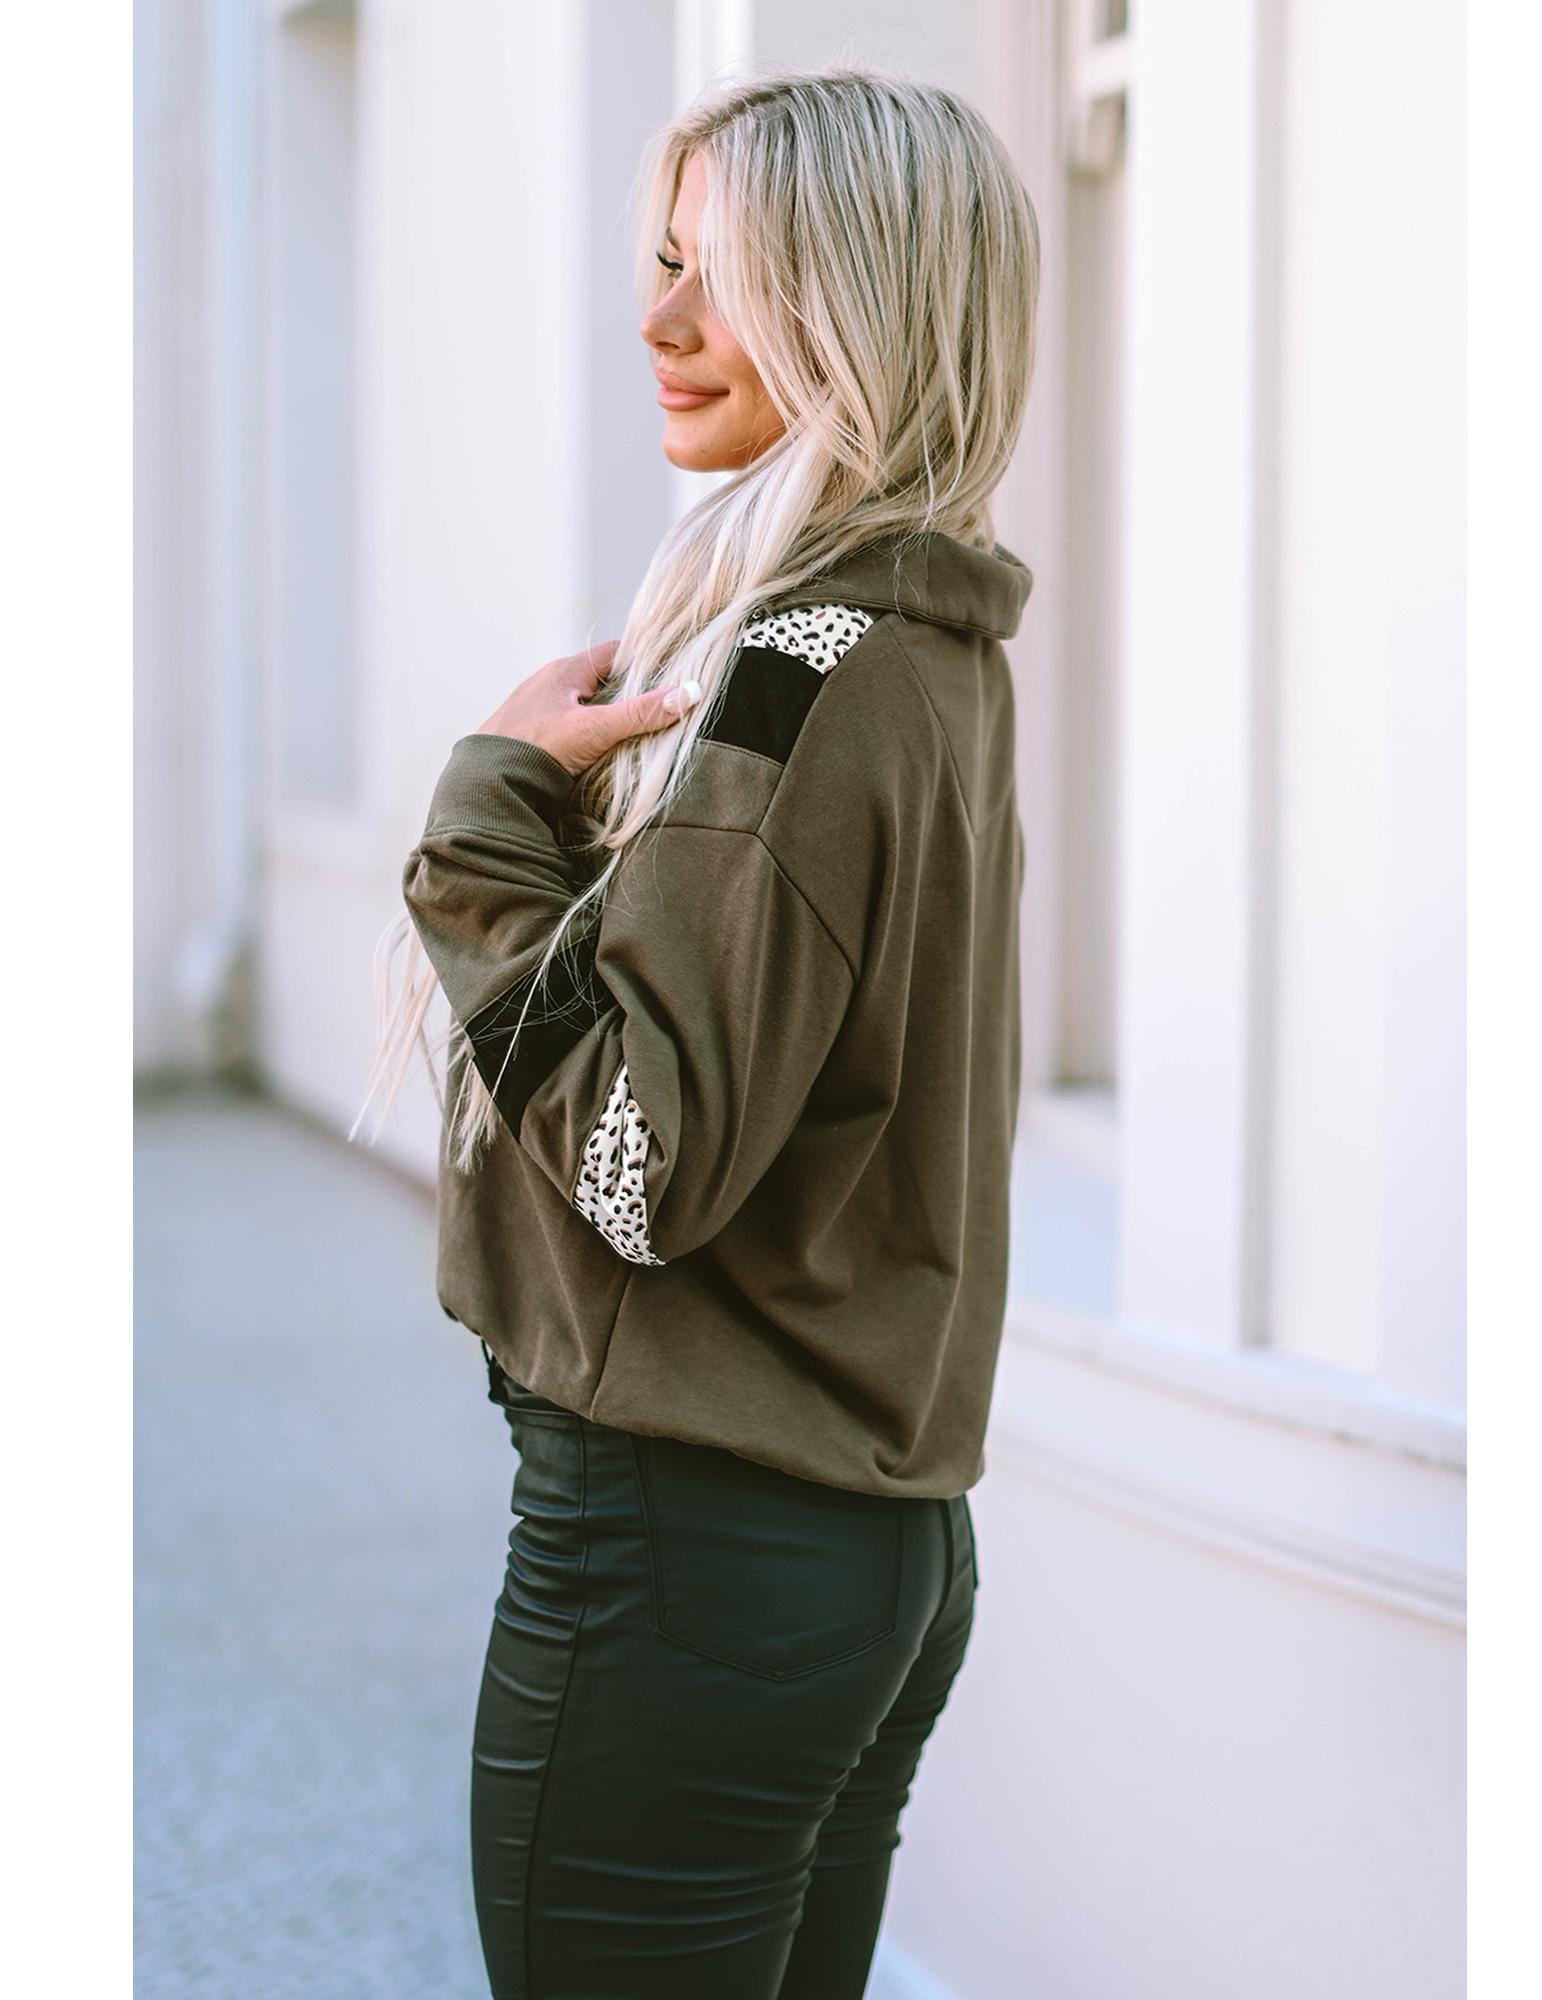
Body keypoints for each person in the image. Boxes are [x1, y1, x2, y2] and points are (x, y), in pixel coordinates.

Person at [351, 63, 1038, 2000]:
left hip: (688, 1546)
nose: (659, 321)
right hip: (853, 1553)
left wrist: (486, 828)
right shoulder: (930, 647)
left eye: (727, 275)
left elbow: (636, 1167)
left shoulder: (801, 659)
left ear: (864, 302)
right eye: (663, 262)